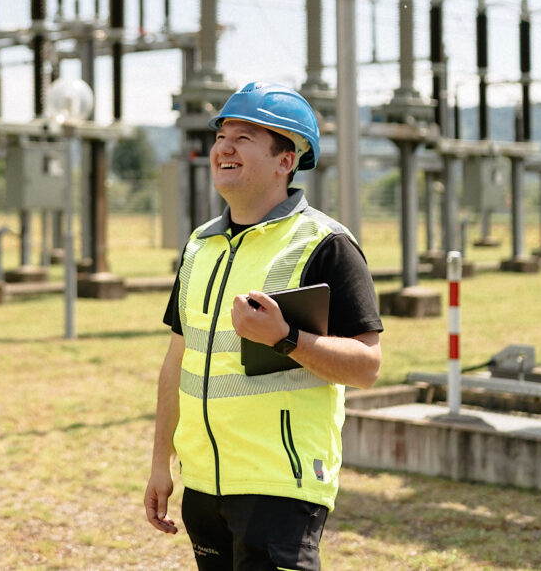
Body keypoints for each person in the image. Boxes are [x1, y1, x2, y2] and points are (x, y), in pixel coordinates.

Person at [143, 81, 383, 571]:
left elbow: (367, 367)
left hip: (280, 486)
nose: (224, 148)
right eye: (221, 136)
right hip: (204, 485)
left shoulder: (326, 244)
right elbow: (176, 363)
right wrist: (160, 464)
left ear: (286, 160)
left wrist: (286, 338)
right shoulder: (199, 246)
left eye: (245, 137)